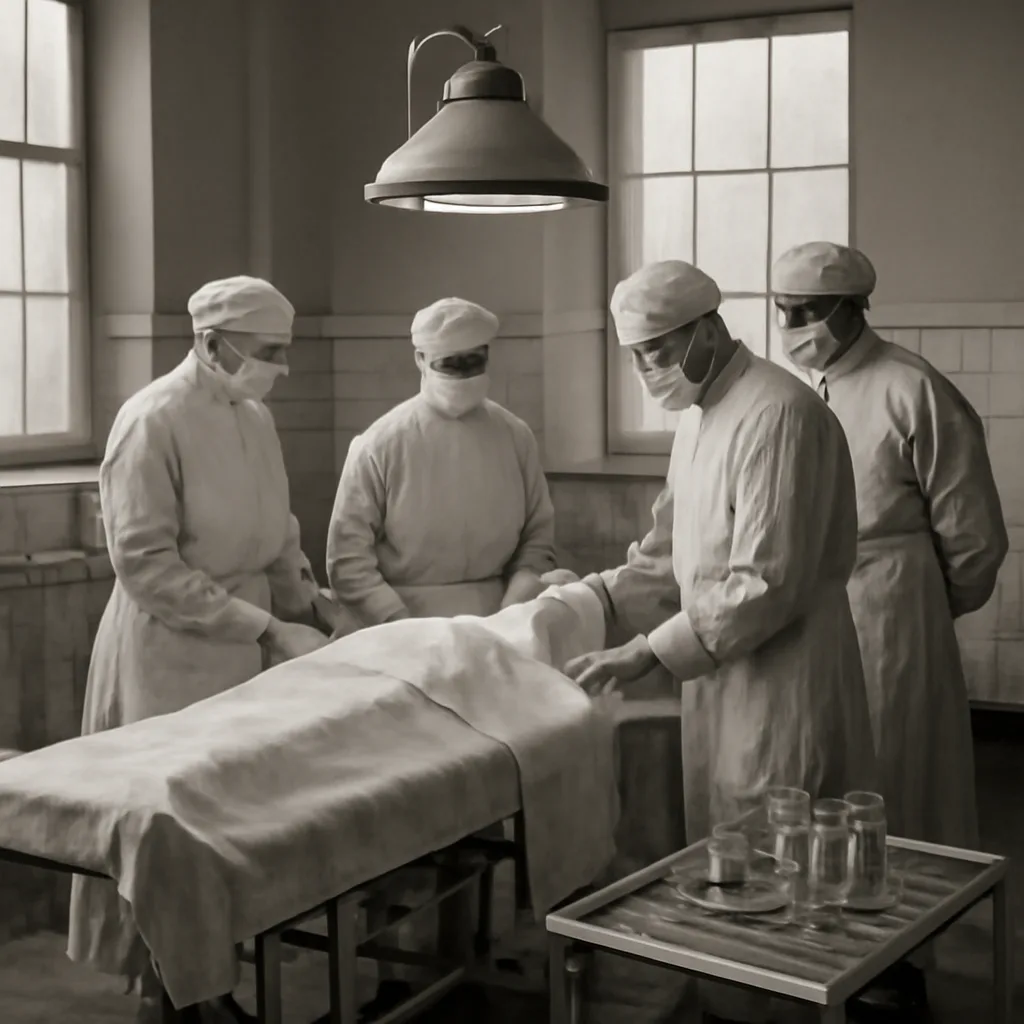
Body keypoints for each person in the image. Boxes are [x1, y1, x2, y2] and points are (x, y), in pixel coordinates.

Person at [562, 260, 877, 1024]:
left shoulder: (779, 416)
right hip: (721, 678)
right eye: (636, 356)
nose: (648, 371)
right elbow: (671, 545)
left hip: (782, 679)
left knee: (780, 845)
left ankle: (780, 1005)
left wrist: (646, 653)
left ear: (709, 329)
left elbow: (764, 584)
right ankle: (731, 996)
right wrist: (591, 599)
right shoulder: (704, 414)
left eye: (660, 351)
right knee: (730, 844)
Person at [68, 275, 332, 1024]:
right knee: (168, 835)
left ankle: (211, 986)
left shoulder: (252, 416)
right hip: (167, 652)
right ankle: (171, 996)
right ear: (211, 344)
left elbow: (278, 530)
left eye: (283, 352)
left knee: (226, 831)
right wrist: (265, 628)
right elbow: (146, 564)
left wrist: (309, 603)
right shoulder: (152, 421)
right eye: (265, 352)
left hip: (241, 651)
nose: (276, 369)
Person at [773, 240, 1008, 1016]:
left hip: (896, 605)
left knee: (900, 773)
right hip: (818, 600)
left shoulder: (913, 390)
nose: (793, 326)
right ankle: (830, 936)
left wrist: (925, 609)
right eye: (783, 312)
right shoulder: (800, 392)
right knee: (827, 770)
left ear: (850, 309)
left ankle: (905, 951)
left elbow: (974, 536)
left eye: (805, 313)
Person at [327, 296, 557, 624]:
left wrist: (514, 605)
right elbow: (348, 560)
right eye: (450, 365)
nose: (463, 377)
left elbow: (538, 536)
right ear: (421, 360)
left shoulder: (514, 436)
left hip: (498, 615)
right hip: (401, 621)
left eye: (473, 363)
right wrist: (396, 620)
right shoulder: (381, 444)